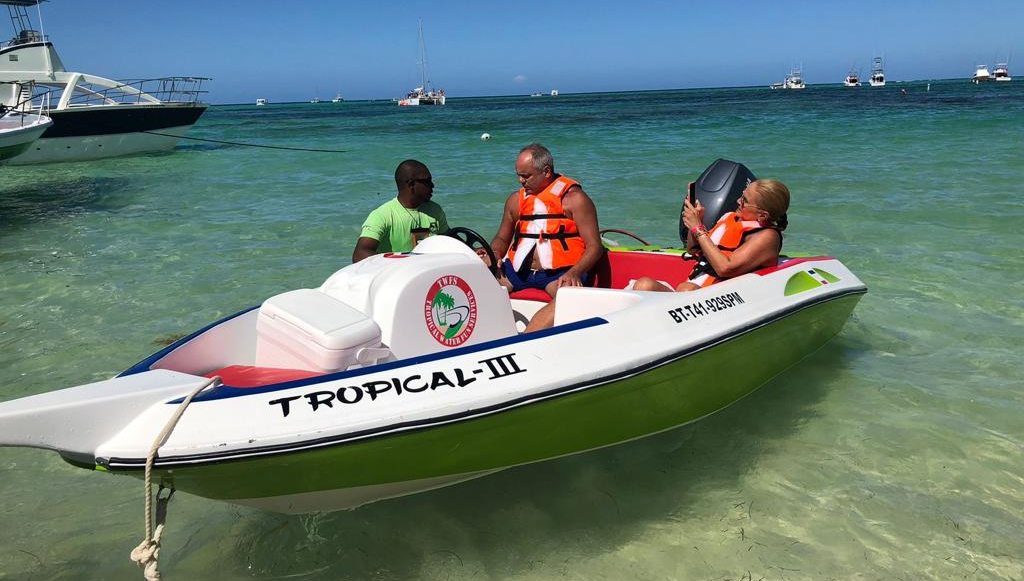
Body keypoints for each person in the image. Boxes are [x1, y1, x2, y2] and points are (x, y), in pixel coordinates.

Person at [486, 144, 603, 298]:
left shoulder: (575, 200)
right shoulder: (515, 200)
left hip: (560, 273)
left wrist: (575, 272)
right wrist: (495, 253)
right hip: (518, 272)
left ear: (546, 171)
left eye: (526, 176)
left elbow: (595, 247)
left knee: (566, 297)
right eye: (518, 175)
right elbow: (502, 238)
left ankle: (542, 323)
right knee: (478, 283)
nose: (521, 180)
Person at [633, 178, 790, 292]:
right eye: (741, 195)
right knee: (644, 284)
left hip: (723, 299)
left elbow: (725, 268)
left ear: (762, 215)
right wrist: (696, 224)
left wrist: (698, 228)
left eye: (744, 200)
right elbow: (694, 250)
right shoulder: (729, 218)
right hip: (692, 291)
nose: (737, 201)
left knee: (686, 289)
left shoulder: (768, 236)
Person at [352, 160, 449, 263]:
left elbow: (448, 239)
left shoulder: (435, 210)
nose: (432, 185)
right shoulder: (382, 215)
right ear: (411, 184)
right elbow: (360, 254)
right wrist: (401, 266)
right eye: (427, 181)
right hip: (398, 275)